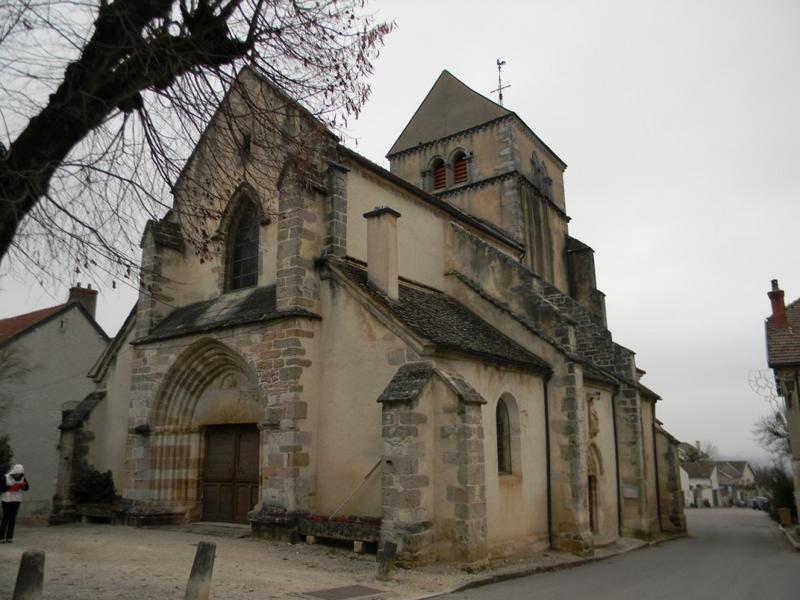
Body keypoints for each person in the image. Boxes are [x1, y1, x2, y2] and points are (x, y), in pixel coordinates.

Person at [0, 464, 30, 543]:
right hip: (6, 499)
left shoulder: (22, 478)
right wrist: (10, 487)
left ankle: (9, 537)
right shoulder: (6, 477)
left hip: (16, 499)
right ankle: (1, 537)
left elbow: (27, 487)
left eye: (20, 473)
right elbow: (1, 488)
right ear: (14, 472)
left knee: (12, 518)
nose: (18, 475)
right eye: (17, 473)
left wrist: (22, 487)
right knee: (5, 518)